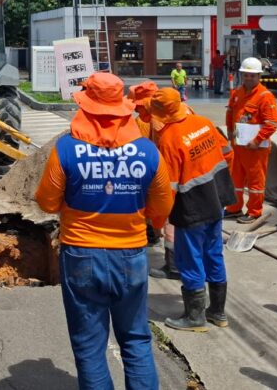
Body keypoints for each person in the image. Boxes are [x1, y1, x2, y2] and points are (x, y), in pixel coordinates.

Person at [35, 72, 174, 390]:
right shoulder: (147, 151)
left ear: (85, 106)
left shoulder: (67, 149)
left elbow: (46, 202)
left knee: (89, 347)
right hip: (131, 257)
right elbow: (163, 208)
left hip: (81, 255)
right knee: (137, 340)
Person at [149, 88, 236, 332]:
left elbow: (169, 188)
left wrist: (157, 219)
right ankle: (218, 312)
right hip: (217, 197)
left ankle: (195, 317)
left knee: (190, 259)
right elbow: (227, 153)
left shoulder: (169, 139)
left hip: (193, 206)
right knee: (214, 252)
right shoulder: (203, 122)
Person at [129, 81, 180, 281]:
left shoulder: (158, 122)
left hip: (173, 179)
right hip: (179, 177)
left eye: (140, 107)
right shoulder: (164, 116)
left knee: (169, 221)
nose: (138, 110)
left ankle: (175, 266)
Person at [225, 57, 277, 224]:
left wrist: (257, 141)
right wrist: (229, 133)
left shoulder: (265, 96)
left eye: (252, 75)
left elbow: (272, 123)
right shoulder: (237, 93)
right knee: (236, 179)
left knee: (256, 181)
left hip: (256, 149)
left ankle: (254, 212)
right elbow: (231, 113)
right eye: (246, 75)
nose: (248, 78)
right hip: (238, 145)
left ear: (259, 76)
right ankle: (234, 208)